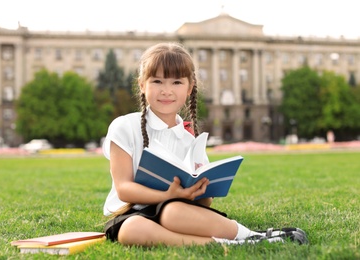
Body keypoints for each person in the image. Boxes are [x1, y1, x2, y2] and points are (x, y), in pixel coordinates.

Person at [101, 42, 307, 246]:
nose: (166, 90)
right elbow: (124, 189)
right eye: (157, 81)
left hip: (175, 211)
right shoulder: (125, 126)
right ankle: (231, 244)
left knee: (172, 212)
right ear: (142, 85)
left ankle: (253, 235)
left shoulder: (190, 140)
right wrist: (168, 194)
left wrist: (201, 191)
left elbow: (203, 203)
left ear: (190, 88)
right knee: (131, 230)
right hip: (130, 213)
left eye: (176, 82)